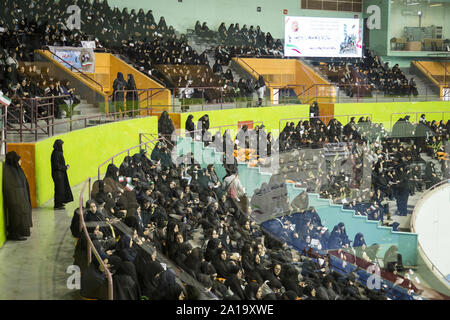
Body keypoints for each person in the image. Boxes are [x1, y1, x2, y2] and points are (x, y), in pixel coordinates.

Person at [3, 151, 32, 240]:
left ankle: (20, 232)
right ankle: (15, 234)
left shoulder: (16, 169)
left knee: (21, 216)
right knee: (16, 217)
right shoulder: (10, 170)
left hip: (20, 198)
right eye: (19, 160)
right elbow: (11, 186)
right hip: (16, 199)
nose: (21, 161)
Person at [51, 139, 73, 209]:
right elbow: (56, 166)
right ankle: (57, 205)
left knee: (61, 189)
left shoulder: (57, 152)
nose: (63, 146)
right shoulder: (56, 153)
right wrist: (65, 167)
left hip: (60, 174)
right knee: (59, 189)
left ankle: (59, 203)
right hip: (58, 175)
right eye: (62, 145)